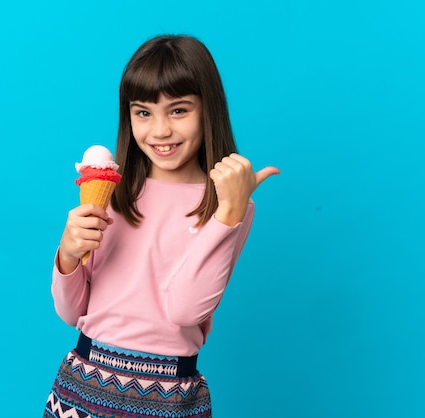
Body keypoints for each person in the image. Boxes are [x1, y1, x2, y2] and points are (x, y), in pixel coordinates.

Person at [44, 34, 279, 418]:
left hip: (168, 394)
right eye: (143, 112)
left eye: (178, 110)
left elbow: (186, 310)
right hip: (83, 382)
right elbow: (73, 313)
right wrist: (67, 257)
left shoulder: (229, 206)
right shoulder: (113, 192)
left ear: (208, 110)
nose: (159, 131)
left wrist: (228, 215)